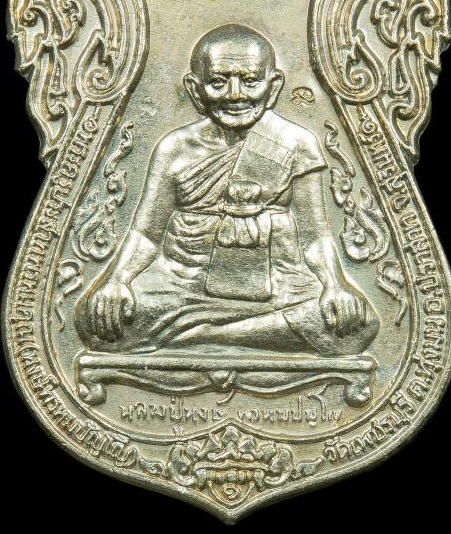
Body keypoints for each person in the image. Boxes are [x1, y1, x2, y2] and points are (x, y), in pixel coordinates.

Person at [75, 24, 379, 363]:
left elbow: (315, 236)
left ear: (273, 87)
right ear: (195, 89)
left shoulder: (295, 144)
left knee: (356, 325)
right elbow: (146, 234)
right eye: (218, 82)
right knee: (95, 320)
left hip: (279, 287)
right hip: (183, 286)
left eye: (250, 81)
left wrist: (335, 285)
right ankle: (248, 336)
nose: (235, 94)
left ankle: (202, 337)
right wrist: (118, 280)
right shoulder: (175, 148)